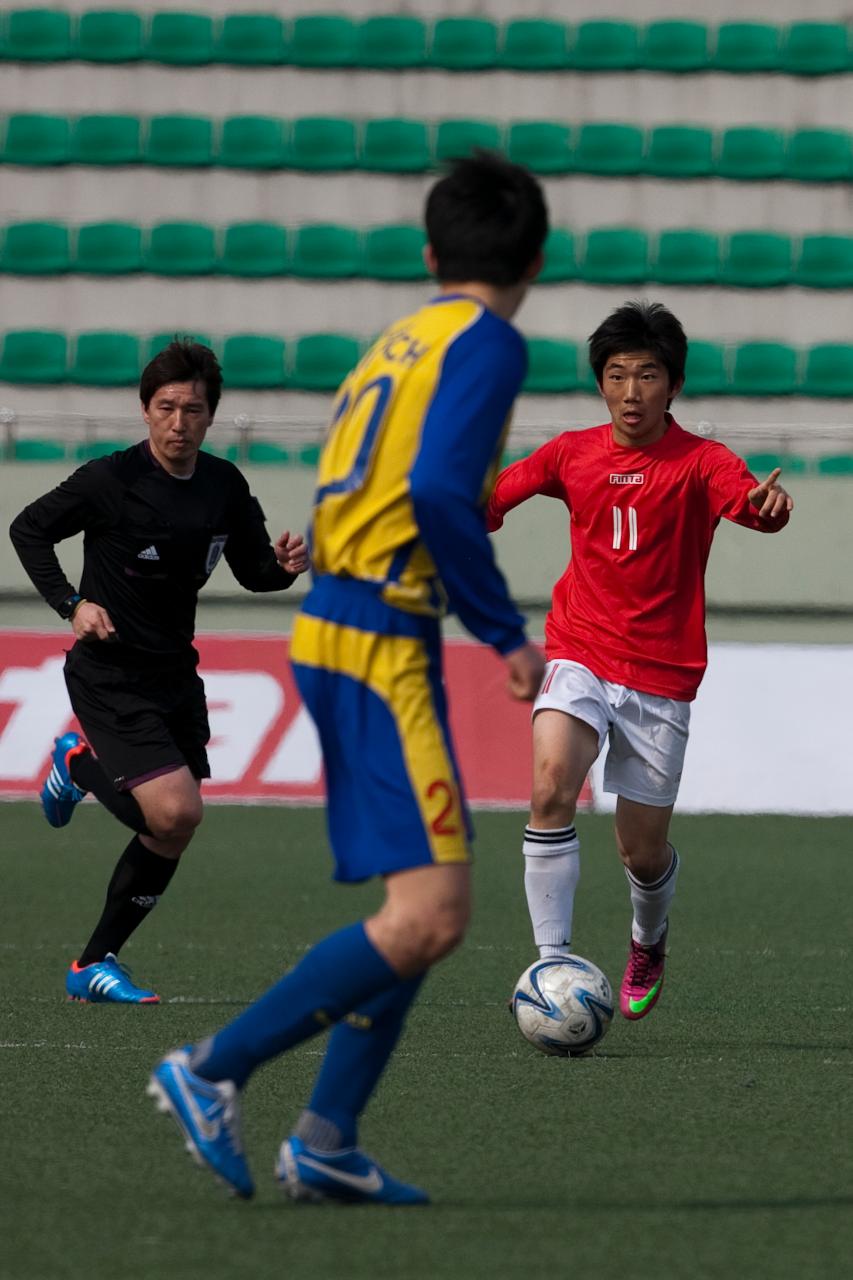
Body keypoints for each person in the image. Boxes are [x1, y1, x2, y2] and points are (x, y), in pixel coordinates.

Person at [147, 152, 548, 1205]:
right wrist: (504, 630)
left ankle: (325, 1137)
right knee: (434, 913)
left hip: (345, 621)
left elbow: (355, 480)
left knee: (415, 902)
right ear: (536, 258)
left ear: (430, 253)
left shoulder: (398, 340)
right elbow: (438, 492)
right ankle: (210, 1067)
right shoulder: (489, 342)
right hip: (376, 635)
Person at [486, 300, 793, 1023]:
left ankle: (646, 939)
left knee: (640, 855)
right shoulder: (570, 452)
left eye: (647, 375)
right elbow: (488, 502)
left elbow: (748, 501)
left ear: (672, 385)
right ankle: (551, 964)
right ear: (600, 383)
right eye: (617, 374)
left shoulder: (700, 462)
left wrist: (767, 508)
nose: (630, 391)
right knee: (551, 785)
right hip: (579, 649)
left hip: (660, 673)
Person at [9, 339, 310, 1004]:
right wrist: (71, 604)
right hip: (109, 672)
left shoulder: (224, 486)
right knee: (176, 810)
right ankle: (77, 762)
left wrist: (283, 568)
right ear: (145, 411)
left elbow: (253, 572)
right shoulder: (109, 480)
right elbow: (27, 529)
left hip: (176, 674)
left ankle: (93, 965)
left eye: (193, 410)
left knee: (173, 828)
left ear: (210, 418)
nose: (179, 423)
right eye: (167, 407)